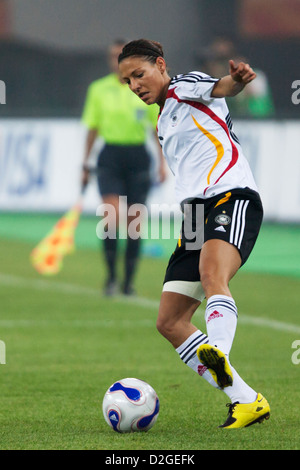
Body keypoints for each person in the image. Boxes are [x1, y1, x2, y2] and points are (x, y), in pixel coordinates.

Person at [118, 39, 271, 428]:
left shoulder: (185, 86)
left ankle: (217, 349)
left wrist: (236, 80)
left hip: (231, 197)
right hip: (194, 215)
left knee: (212, 276)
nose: (134, 85)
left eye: (139, 74)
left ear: (161, 65)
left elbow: (222, 87)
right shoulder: (162, 118)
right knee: (170, 322)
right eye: (127, 81)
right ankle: (246, 400)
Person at [81, 39, 166, 296]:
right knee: (111, 215)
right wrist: (85, 164)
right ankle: (110, 277)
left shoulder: (141, 88)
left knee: (134, 222)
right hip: (110, 157)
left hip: (138, 158)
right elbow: (92, 128)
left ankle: (128, 282)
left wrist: (162, 163)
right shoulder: (98, 89)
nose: (114, 60)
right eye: (112, 56)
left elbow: (156, 128)